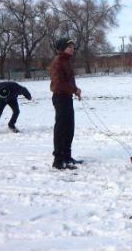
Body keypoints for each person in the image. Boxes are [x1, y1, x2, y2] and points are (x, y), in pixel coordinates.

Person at [50, 38, 82, 170]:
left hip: (67, 97)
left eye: (73, 47)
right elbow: (59, 83)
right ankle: (58, 160)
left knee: (69, 128)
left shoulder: (66, 61)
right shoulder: (58, 62)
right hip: (60, 98)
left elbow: (68, 81)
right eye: (69, 47)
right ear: (62, 48)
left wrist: (75, 90)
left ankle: (67, 156)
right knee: (61, 129)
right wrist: (74, 90)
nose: (72, 49)